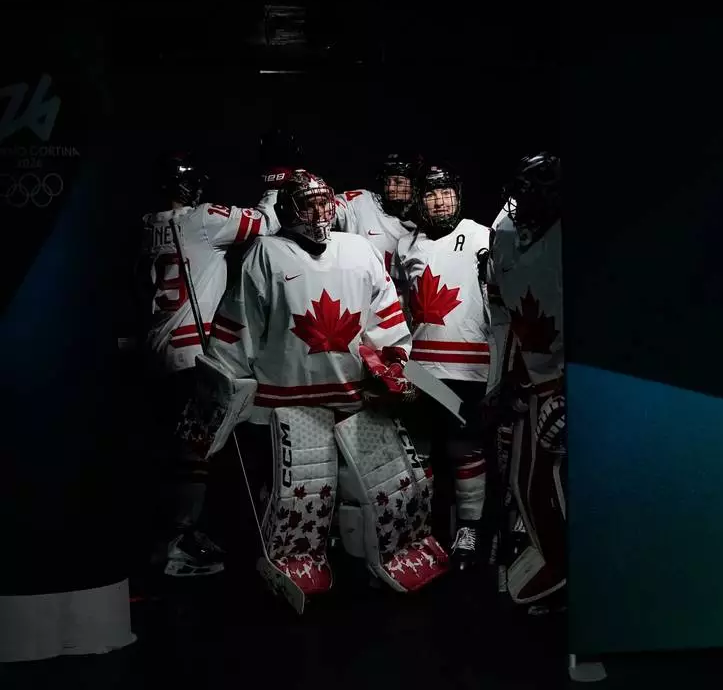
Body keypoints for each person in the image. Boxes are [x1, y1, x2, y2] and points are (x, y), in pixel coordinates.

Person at [207, 169, 448, 597]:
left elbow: (387, 316)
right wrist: (225, 392)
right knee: (301, 501)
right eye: (308, 203)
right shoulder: (265, 255)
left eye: (325, 202)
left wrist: (394, 364)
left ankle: (376, 560)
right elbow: (236, 327)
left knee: (391, 494)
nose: (319, 213)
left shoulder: (359, 250)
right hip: (288, 404)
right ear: (288, 209)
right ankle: (291, 560)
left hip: (358, 398)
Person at [138, 151, 274, 577]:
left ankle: (184, 536)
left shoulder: (147, 225)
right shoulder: (201, 218)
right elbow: (264, 222)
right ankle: (179, 541)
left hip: (158, 350)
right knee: (197, 452)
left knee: (181, 452)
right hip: (194, 352)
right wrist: (273, 183)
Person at [396, 163, 492, 570]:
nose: (439, 200)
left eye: (446, 191)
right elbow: (402, 307)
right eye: (431, 193)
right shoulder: (407, 246)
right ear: (421, 200)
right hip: (421, 368)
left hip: (469, 366)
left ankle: (470, 528)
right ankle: (422, 530)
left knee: (463, 447)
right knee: (419, 449)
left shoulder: (482, 237)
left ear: (458, 193)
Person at [486, 152, 565, 608]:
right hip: (534, 374)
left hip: (567, 378)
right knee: (524, 482)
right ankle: (558, 562)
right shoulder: (505, 233)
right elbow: (504, 317)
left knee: (555, 479)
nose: (521, 203)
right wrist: (503, 381)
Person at [334, 153, 426, 279]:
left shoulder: (424, 226)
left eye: (398, 182)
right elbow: (329, 210)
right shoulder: (361, 202)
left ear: (415, 185)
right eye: (387, 182)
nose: (390, 188)